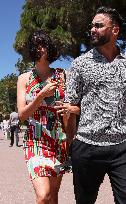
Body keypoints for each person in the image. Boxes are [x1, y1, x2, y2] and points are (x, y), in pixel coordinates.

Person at [65, 7, 126, 204]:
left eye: (99, 25)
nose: (92, 29)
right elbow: (70, 106)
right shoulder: (80, 64)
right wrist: (72, 141)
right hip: (87, 147)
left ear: (115, 30)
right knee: (85, 201)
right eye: (92, 26)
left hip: (123, 147)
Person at [17, 29, 79, 204]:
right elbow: (22, 115)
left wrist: (70, 136)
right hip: (35, 140)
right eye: (35, 44)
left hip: (58, 140)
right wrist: (41, 95)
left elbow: (72, 107)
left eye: (43, 44)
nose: (40, 48)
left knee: (53, 195)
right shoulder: (24, 78)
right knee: (43, 195)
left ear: (49, 47)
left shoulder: (62, 75)